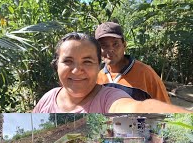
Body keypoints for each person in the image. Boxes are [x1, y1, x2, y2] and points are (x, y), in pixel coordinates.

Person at [33, 32, 191, 113]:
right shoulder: (48, 98)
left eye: (87, 61)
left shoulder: (144, 73)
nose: (77, 70)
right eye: (68, 61)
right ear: (56, 65)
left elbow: (133, 108)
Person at [95, 22, 171, 102]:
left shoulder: (145, 74)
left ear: (124, 45)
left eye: (115, 44)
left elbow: (164, 106)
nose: (110, 50)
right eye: (104, 45)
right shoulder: (97, 78)